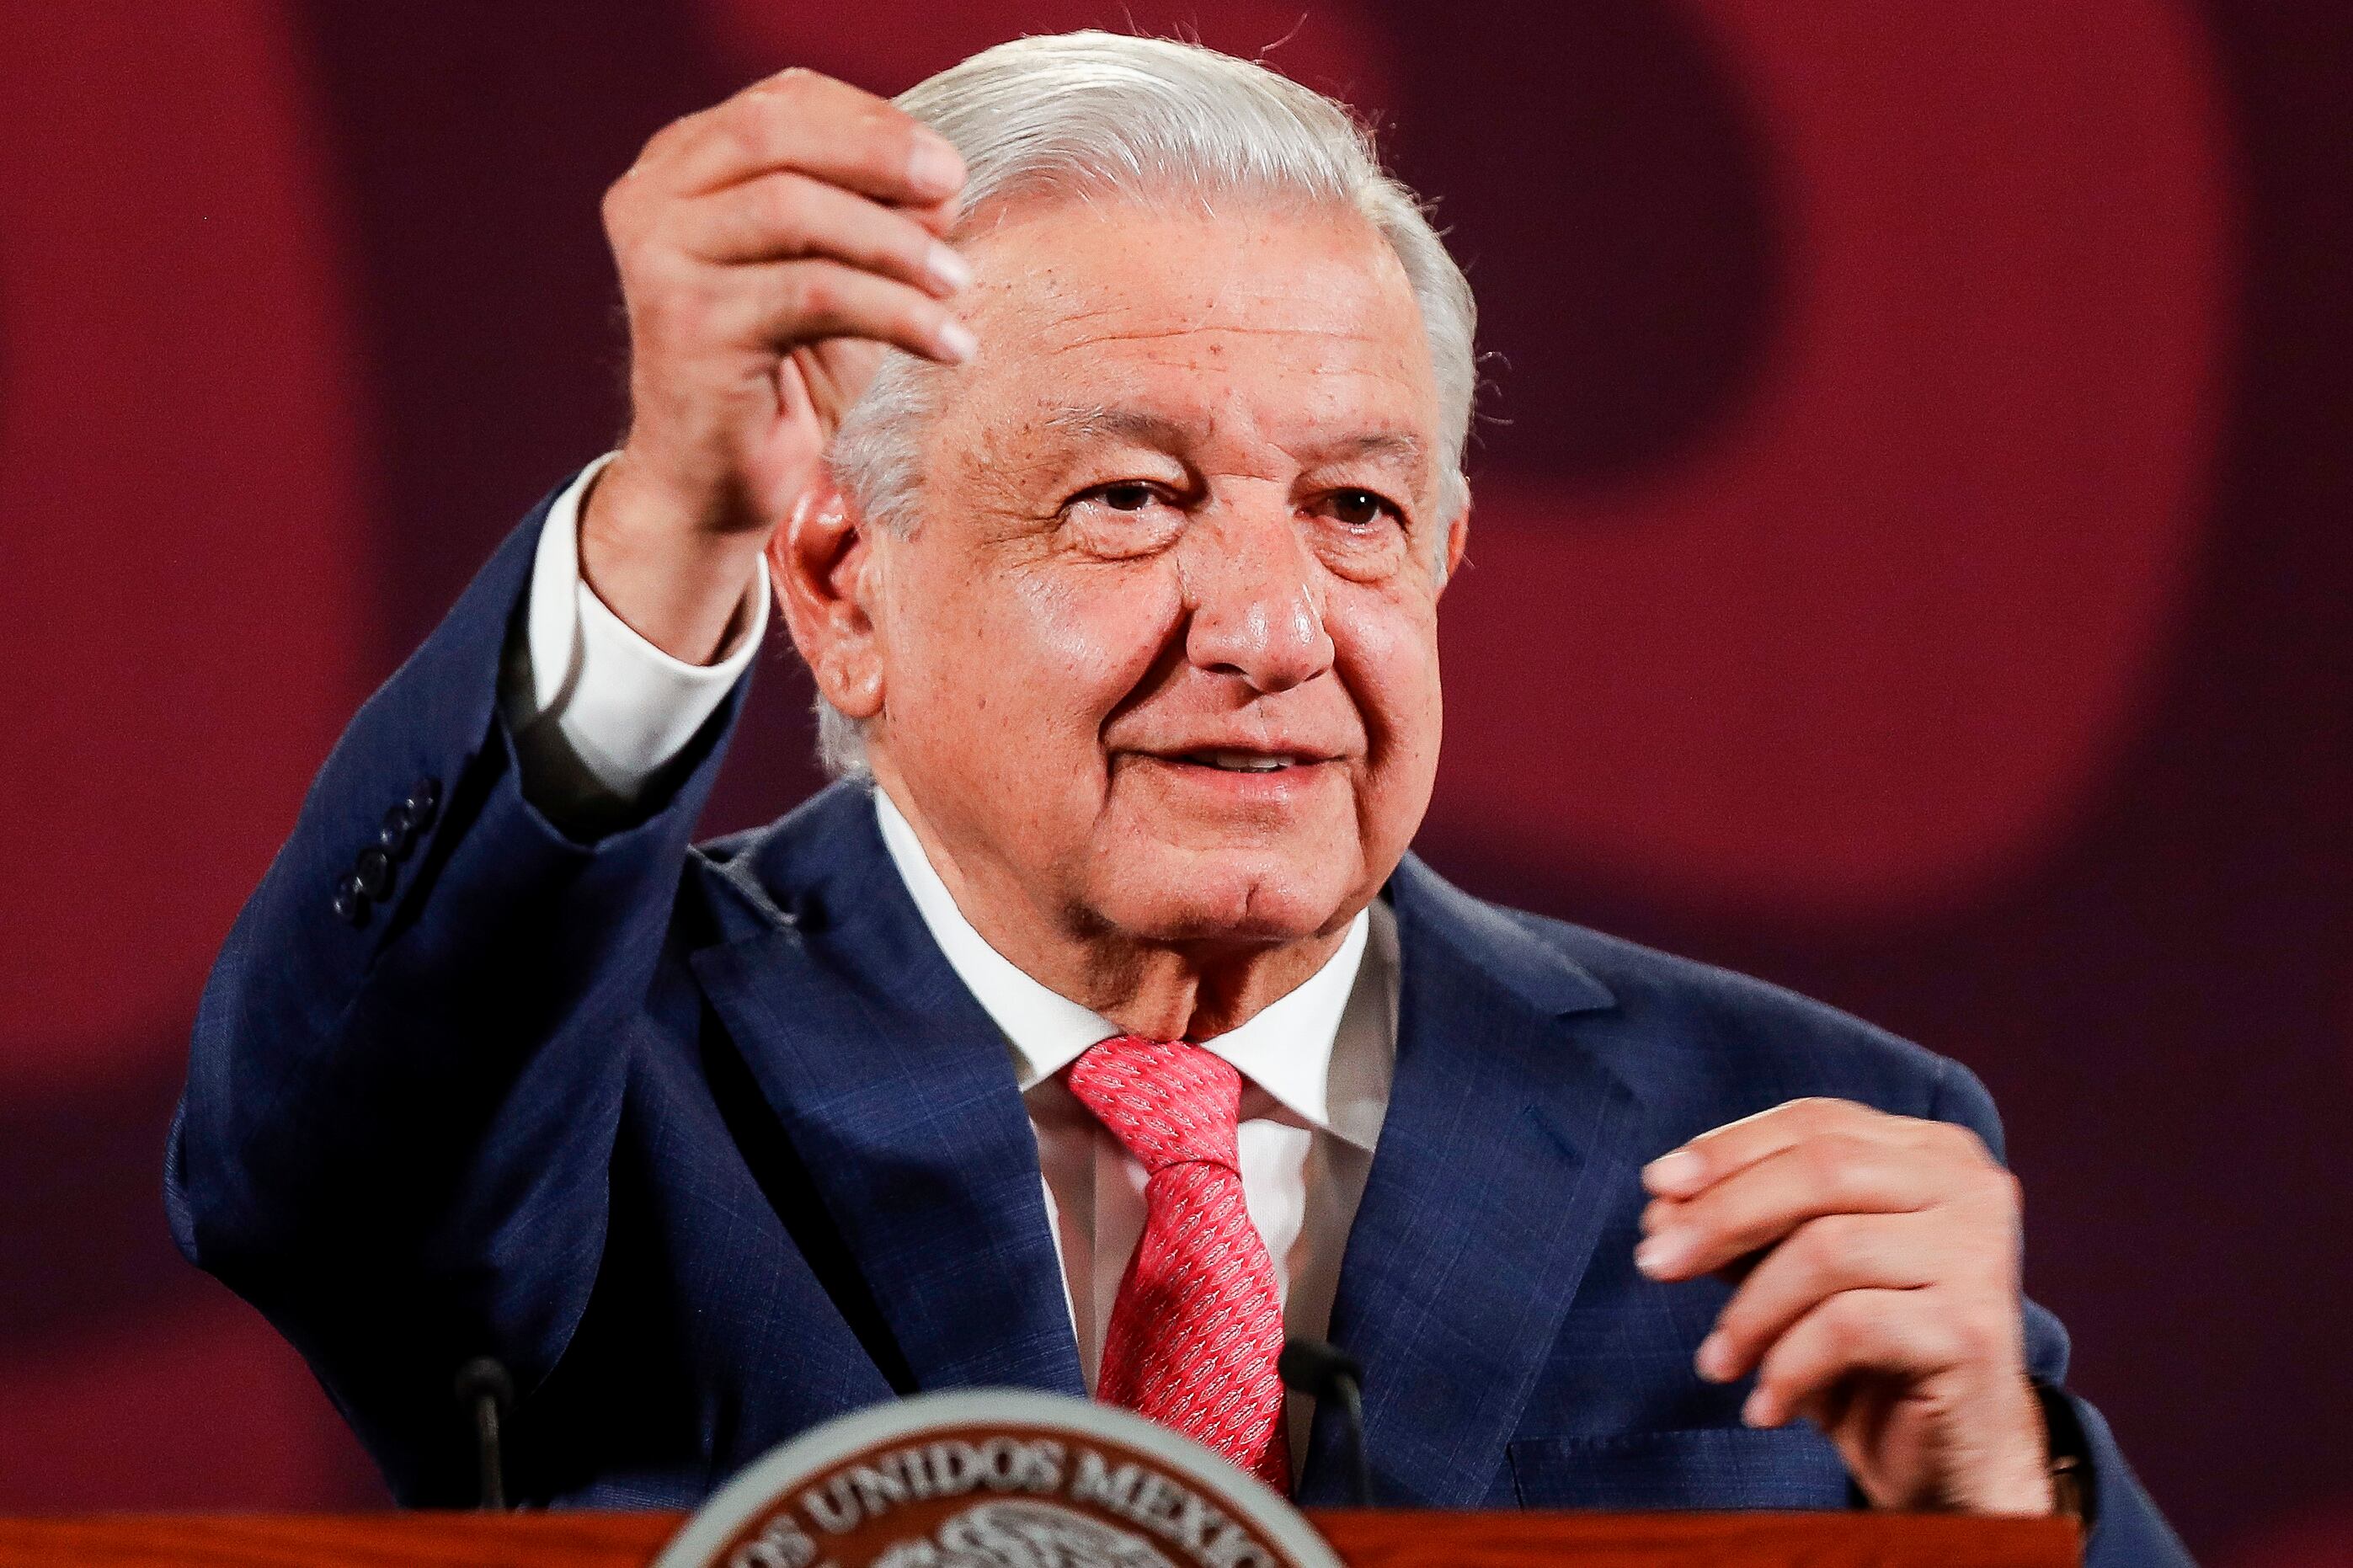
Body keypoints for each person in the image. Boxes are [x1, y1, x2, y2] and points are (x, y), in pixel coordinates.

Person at [167, 32, 2188, 1561]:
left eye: (1354, 509)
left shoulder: (1791, 1137)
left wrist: (1994, 1509)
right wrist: (662, 518)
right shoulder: (586, 1077)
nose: (1271, 624)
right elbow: (307, 1164)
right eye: (1127, 499)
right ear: (840, 585)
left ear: (1446, 562)